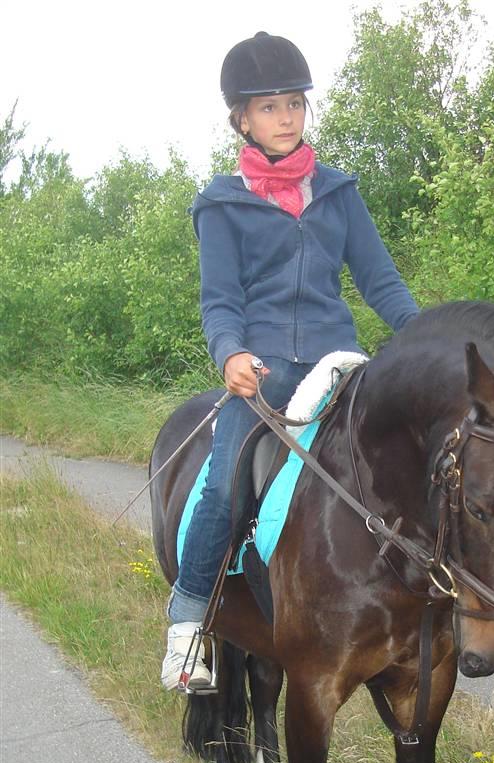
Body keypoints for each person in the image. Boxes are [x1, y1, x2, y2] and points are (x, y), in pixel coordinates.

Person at [162, 31, 419, 690]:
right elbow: (219, 303)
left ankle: (430, 605)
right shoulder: (221, 203)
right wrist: (231, 355)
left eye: (294, 105)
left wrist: (424, 336)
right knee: (222, 485)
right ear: (242, 119)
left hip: (340, 363)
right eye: (269, 107)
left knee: (413, 462)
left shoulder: (338, 192)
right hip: (264, 373)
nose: (285, 118)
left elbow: (380, 281)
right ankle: (189, 627)